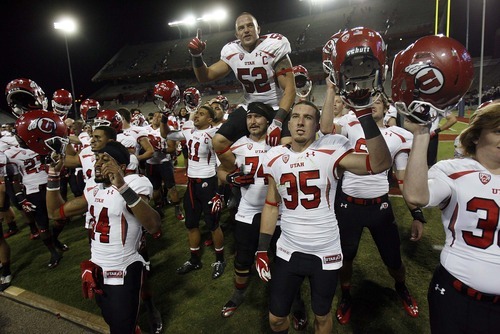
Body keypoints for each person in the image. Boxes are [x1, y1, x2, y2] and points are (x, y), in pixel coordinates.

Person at [256, 100, 391, 333]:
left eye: (308, 117)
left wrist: (363, 114)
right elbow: (270, 204)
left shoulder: (331, 150)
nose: (300, 121)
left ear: (317, 124)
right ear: (288, 123)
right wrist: (261, 249)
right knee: (276, 319)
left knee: (322, 316)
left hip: (325, 251)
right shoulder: (274, 156)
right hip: (288, 250)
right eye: (296, 116)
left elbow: (380, 163)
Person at [322, 88, 421, 324]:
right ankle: (346, 294)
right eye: (371, 100)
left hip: (380, 208)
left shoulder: (398, 135)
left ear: (387, 108)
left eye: (379, 100)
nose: (374, 103)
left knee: (393, 259)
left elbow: (403, 177)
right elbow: (326, 128)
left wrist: (416, 213)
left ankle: (401, 286)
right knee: (346, 257)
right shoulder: (349, 124)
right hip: (348, 206)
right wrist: (330, 89)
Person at [403, 102, 500, 334]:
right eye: (498, 131)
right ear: (476, 136)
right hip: (458, 296)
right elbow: (416, 195)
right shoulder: (454, 170)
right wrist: (421, 134)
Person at [46, 141, 161, 334]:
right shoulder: (94, 189)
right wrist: (53, 174)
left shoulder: (135, 182)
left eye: (105, 159)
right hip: (97, 268)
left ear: (122, 167)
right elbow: (55, 213)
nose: (97, 163)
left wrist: (121, 185)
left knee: (122, 328)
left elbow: (153, 225)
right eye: (96, 159)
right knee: (112, 320)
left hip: (122, 269)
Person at [188, 12, 296, 171]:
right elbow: (206, 76)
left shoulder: (274, 45)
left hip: (276, 106)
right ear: (236, 34)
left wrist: (278, 121)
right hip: (250, 106)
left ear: (258, 29)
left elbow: (290, 89)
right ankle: (240, 177)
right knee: (218, 141)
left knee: (288, 150)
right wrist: (196, 56)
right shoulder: (231, 51)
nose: (246, 30)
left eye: (250, 26)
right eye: (241, 28)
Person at [161, 104, 226, 279]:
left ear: (210, 119)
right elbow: (166, 134)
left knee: (213, 224)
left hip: (208, 182)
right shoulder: (189, 130)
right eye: (197, 113)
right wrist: (164, 119)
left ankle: (220, 259)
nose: (197, 116)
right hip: (192, 183)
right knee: (191, 223)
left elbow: (222, 163)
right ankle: (194, 259)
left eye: (202, 114)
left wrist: (219, 192)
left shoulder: (215, 134)